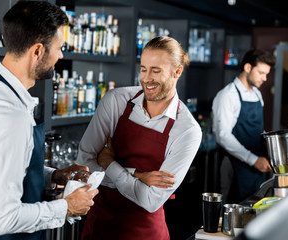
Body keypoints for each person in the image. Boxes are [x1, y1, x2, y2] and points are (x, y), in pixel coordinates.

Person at [0, 1, 98, 240]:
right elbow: (3, 219)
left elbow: (0, 171)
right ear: (37, 51)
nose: (61, 55)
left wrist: (52, 175)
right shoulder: (9, 116)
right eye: (58, 47)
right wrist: (67, 207)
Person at [76, 36, 202, 240]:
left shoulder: (187, 130)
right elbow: (84, 166)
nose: (146, 78)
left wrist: (108, 162)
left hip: (145, 232)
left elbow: (151, 200)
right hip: (99, 227)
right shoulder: (116, 101)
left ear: (177, 71)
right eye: (143, 69)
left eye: (156, 70)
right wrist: (138, 175)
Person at [212, 48, 275, 203]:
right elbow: (223, 136)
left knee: (255, 209)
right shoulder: (227, 95)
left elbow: (257, 130)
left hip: (257, 165)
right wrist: (253, 160)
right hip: (236, 166)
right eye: (261, 73)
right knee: (233, 213)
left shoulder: (256, 94)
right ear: (248, 68)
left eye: (266, 74)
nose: (265, 78)